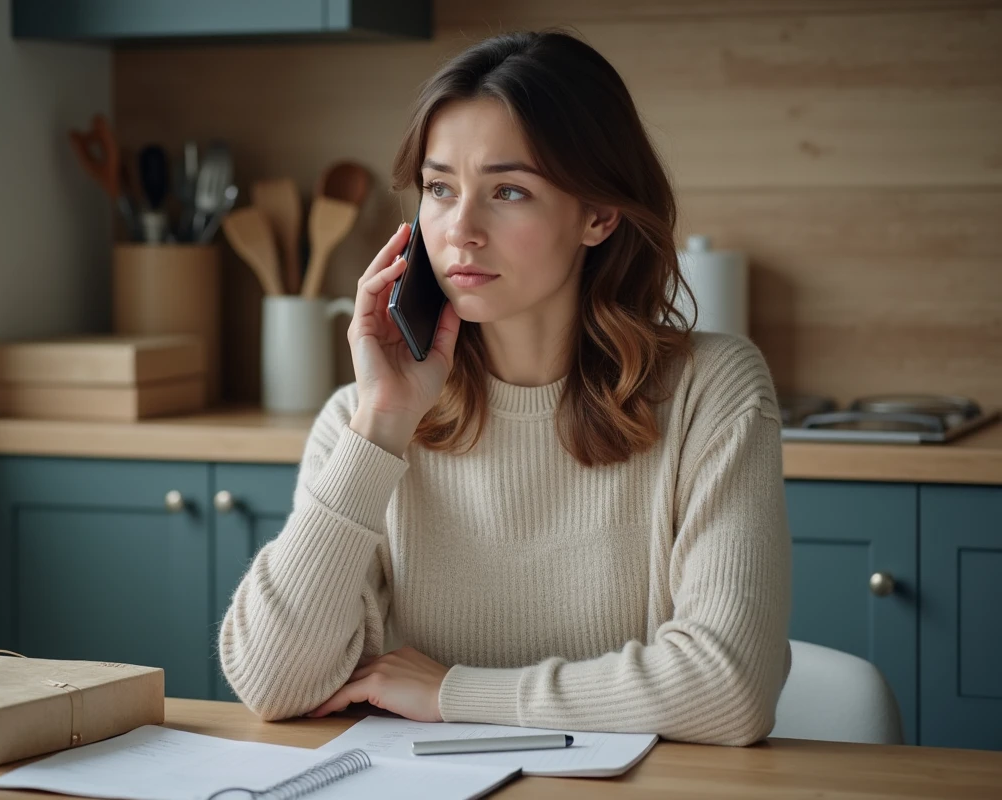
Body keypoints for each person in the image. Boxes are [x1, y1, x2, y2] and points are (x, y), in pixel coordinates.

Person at [219, 29, 791, 747]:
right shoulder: (361, 420)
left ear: (598, 215)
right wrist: (382, 422)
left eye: (509, 191)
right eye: (439, 189)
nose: (460, 230)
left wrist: (453, 694)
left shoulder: (713, 390)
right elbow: (271, 683)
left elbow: (731, 688)